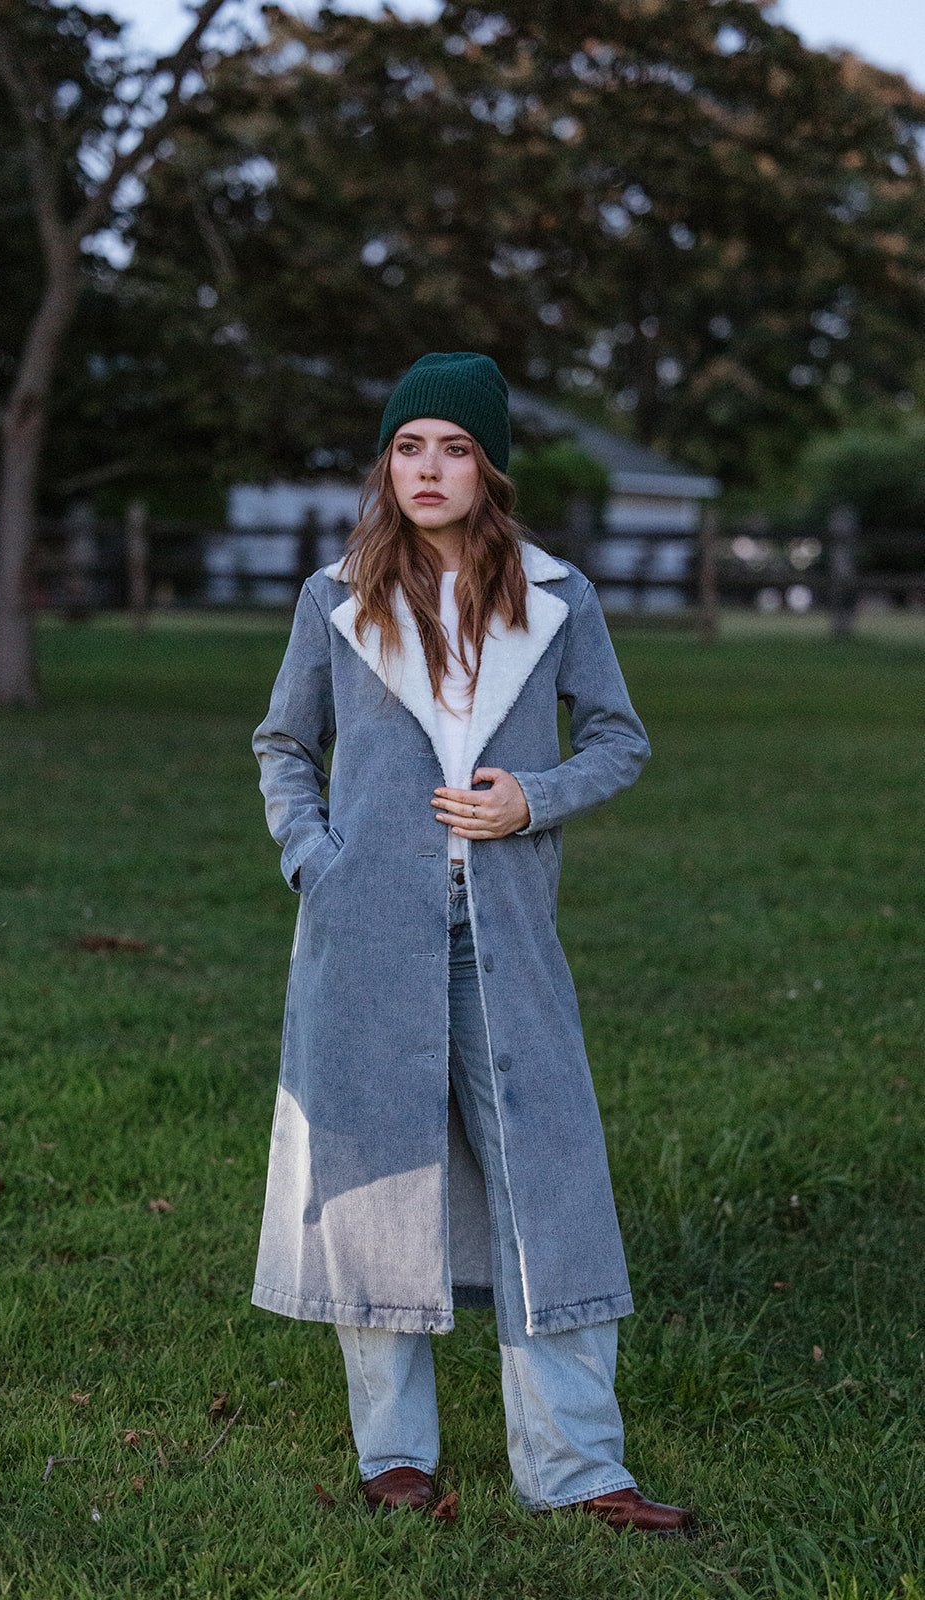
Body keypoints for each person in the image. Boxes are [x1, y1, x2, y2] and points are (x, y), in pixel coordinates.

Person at [250, 351, 695, 1534]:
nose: (427, 470)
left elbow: (617, 736)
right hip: (366, 932)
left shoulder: (557, 595)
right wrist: (316, 860)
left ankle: (579, 1468)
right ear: (384, 465)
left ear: (486, 466)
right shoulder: (332, 597)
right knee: (377, 1175)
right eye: (408, 447)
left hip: (500, 933)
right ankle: (393, 1452)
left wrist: (530, 799)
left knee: (547, 1181)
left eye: (451, 448)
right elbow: (283, 746)